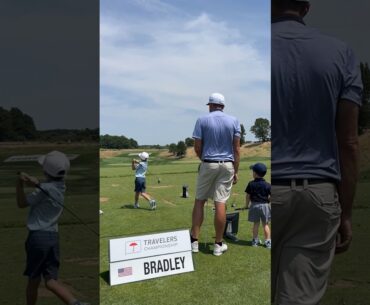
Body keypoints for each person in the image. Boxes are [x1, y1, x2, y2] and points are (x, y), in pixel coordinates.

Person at [271, 0, 362, 304]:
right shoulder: (340, 52)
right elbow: (348, 142)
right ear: (306, 8)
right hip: (318, 195)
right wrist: (346, 213)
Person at [16, 151, 89, 305]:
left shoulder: (44, 189)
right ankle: (75, 303)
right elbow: (44, 184)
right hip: (53, 238)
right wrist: (34, 182)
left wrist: (20, 184)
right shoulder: (61, 186)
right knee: (50, 280)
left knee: (33, 280)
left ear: (45, 170)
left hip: (38, 238)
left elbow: (22, 203)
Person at [190, 92, 241, 256]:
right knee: (220, 203)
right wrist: (236, 171)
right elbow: (237, 149)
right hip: (227, 165)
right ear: (223, 106)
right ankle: (218, 245)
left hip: (208, 163)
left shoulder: (202, 120)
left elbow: (197, 147)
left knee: (200, 201)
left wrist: (204, 160)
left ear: (210, 105)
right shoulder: (234, 121)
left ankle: (194, 242)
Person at [245, 163, 271, 248]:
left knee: (256, 224)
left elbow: (248, 196)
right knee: (265, 224)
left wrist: (246, 205)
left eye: (253, 171)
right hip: (265, 205)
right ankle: (267, 242)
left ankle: (255, 241)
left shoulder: (251, 184)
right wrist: (268, 202)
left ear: (255, 173)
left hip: (254, 205)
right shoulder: (267, 184)